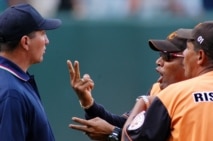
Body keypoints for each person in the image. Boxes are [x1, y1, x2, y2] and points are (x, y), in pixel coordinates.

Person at [121, 20, 213, 141]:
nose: (185, 54)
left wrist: (143, 102)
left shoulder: (174, 95)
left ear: (200, 56)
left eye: (187, 49)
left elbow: (131, 138)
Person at [67, 28, 189, 140]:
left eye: (167, 56)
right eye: (160, 54)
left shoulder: (196, 99)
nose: (158, 61)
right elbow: (127, 125)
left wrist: (114, 133)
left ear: (191, 59)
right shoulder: (157, 90)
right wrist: (89, 104)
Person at [0, 3, 61, 141]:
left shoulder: (13, 82)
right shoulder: (11, 92)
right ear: (25, 42)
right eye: (43, 34)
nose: (47, 41)